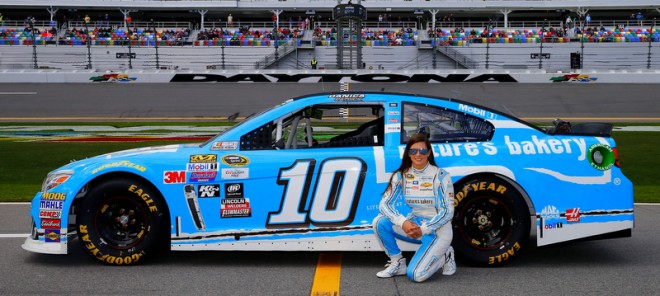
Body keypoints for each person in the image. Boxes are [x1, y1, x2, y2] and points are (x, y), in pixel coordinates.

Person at [373, 133, 456, 282]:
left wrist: (424, 229)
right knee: (380, 222)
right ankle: (397, 262)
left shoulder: (441, 176)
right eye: (413, 151)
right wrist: (402, 222)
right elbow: (384, 204)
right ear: (408, 153)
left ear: (429, 153)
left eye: (423, 151)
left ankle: (445, 254)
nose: (418, 154)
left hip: (438, 230)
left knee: (416, 276)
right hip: (415, 224)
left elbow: (448, 212)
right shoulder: (400, 175)